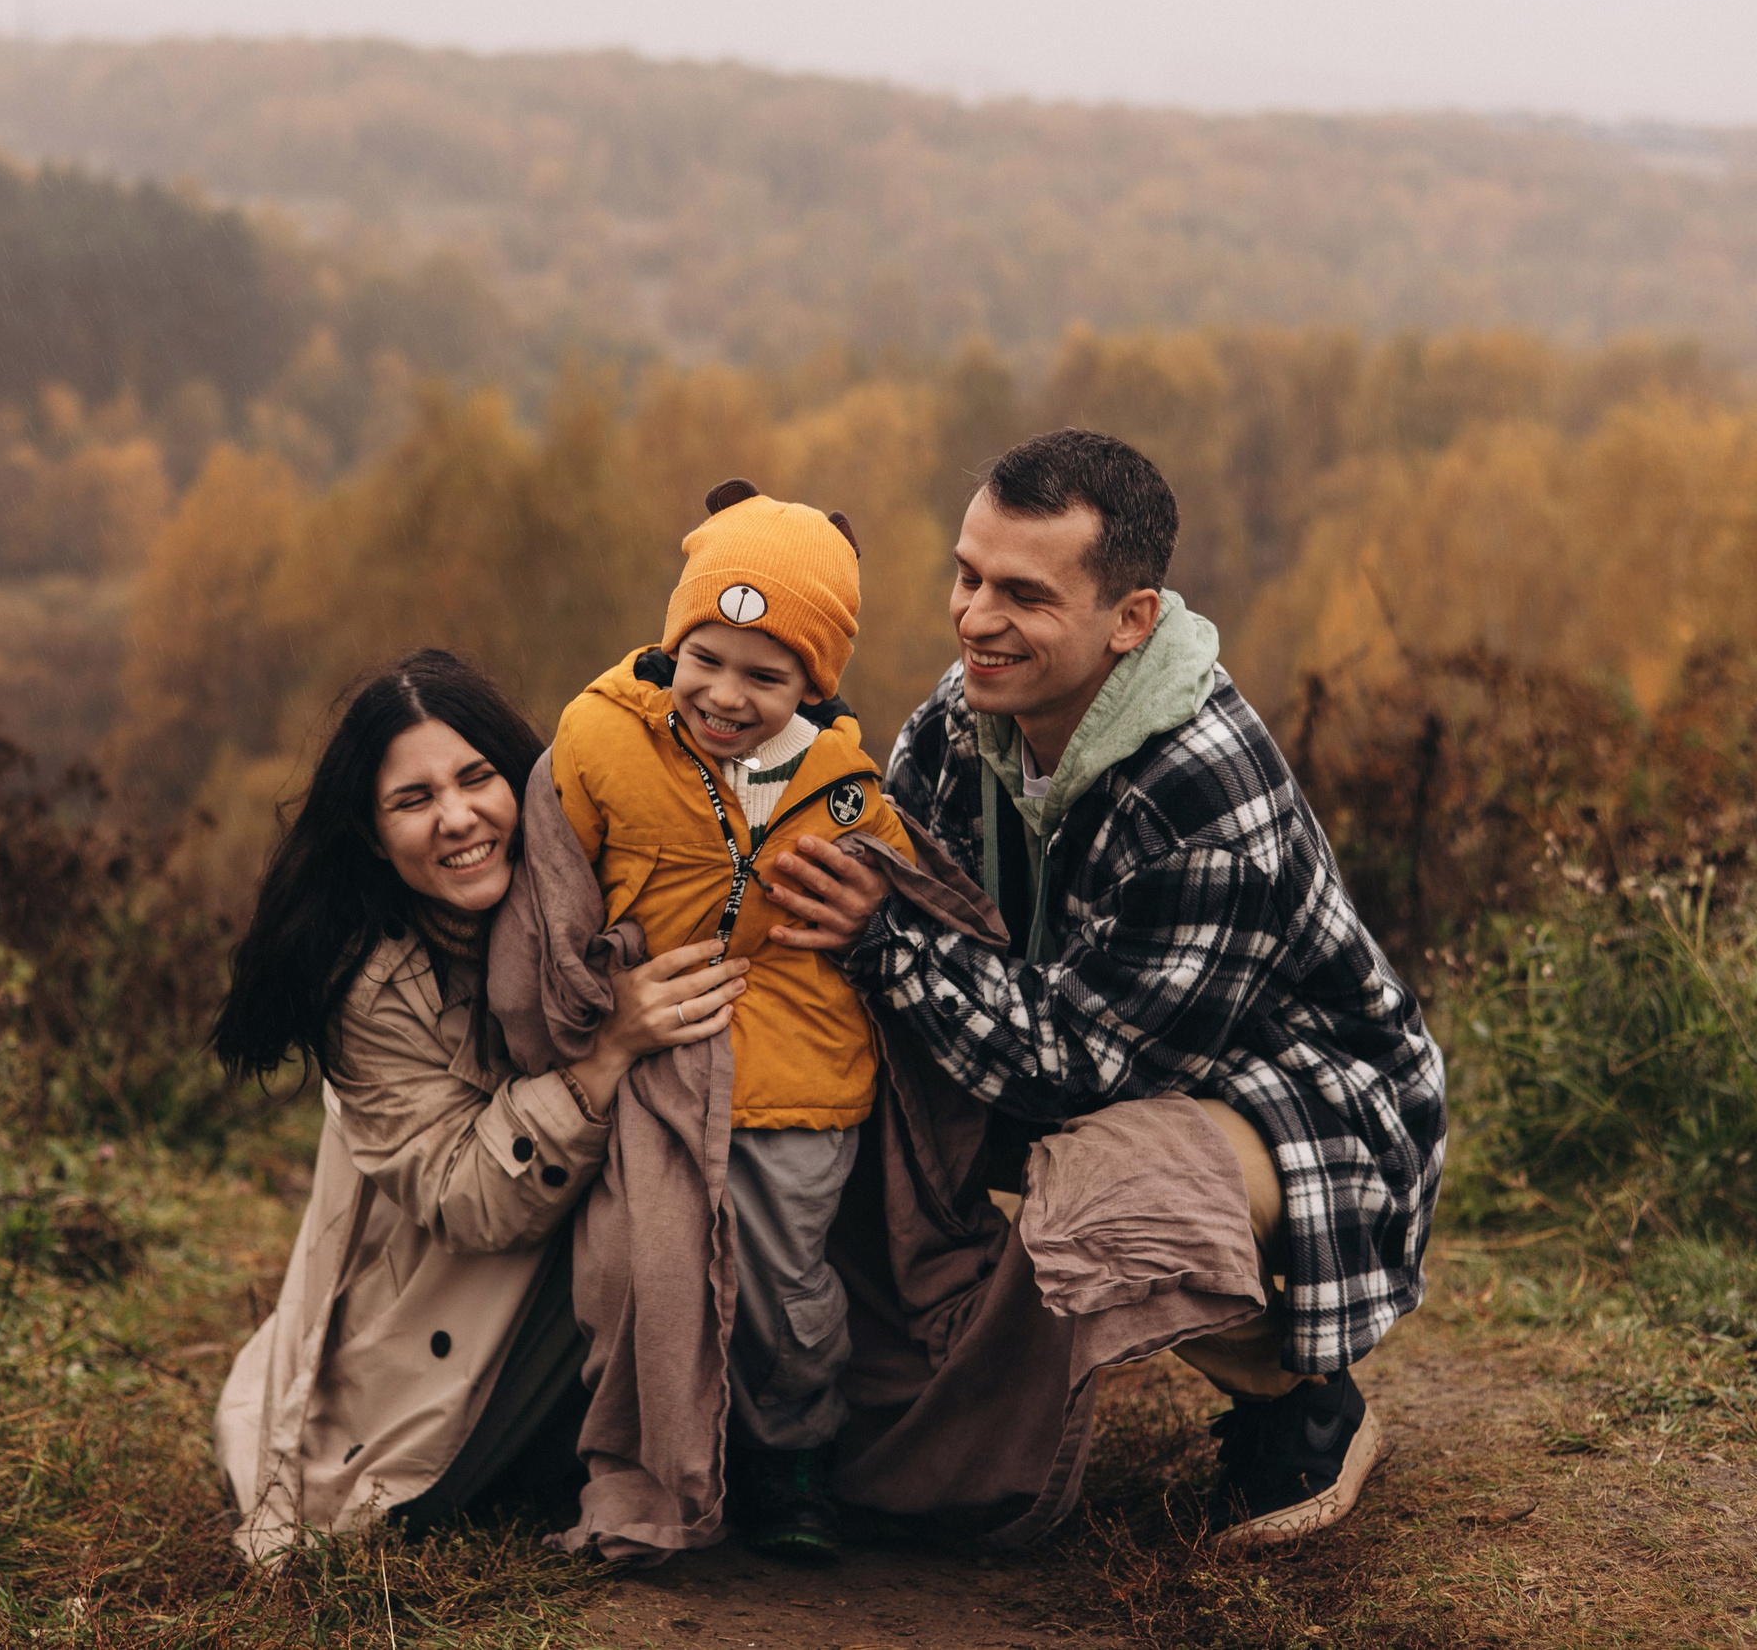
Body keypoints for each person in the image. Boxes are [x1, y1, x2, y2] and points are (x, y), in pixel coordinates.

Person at [760, 429, 1449, 1550]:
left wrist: (886, 945)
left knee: (1104, 1196)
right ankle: (855, 1395)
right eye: (968, 576)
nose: (975, 618)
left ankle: (1299, 1403)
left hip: (1300, 1107)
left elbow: (1087, 1068)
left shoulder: (1205, 789)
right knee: (824, 1082)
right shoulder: (960, 720)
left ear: (1129, 619)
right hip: (1066, 1042)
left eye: (1024, 595)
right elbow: (907, 921)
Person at [208, 648, 752, 1561]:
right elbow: (469, 1197)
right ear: (373, 834)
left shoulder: (587, 878)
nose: (457, 818)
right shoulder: (371, 985)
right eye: (412, 799)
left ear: (526, 783)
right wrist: (608, 1051)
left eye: (475, 778)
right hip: (449, 1341)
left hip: (554, 1296)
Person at [548, 479, 914, 1560]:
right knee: (642, 1274)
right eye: (705, 658)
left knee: (784, 1286)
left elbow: (901, 891)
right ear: (673, 643)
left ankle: (793, 1456)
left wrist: (878, 900)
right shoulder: (601, 737)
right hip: (657, 1063)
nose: (726, 694)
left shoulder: (841, 782)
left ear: (815, 682)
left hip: (799, 1079)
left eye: (767, 675)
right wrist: (577, 1000)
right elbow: (553, 881)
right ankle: (657, 1460)